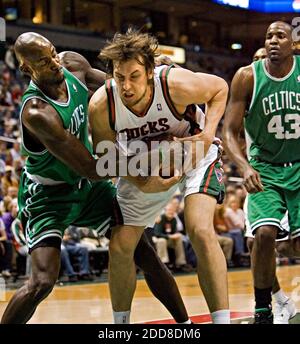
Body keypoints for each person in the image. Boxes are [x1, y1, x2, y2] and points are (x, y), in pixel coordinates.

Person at [1, 32, 190, 324]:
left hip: (89, 189)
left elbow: (120, 90)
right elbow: (90, 167)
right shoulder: (37, 112)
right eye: (43, 61)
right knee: (42, 282)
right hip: (49, 196)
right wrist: (153, 158)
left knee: (144, 253)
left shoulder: (73, 65)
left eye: (52, 53)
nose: (53, 63)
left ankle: (184, 324)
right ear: (26, 69)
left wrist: (156, 77)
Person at [89, 29, 229, 324]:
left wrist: (207, 135)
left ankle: (222, 321)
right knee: (120, 245)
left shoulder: (174, 84)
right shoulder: (103, 105)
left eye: (135, 76)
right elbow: (106, 158)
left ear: (150, 72)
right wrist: (143, 181)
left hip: (192, 153)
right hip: (141, 166)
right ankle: (120, 326)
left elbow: (219, 88)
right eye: (119, 76)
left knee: (200, 229)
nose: (126, 86)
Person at [222, 22, 300, 323]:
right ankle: (263, 307)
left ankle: (281, 300)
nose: (273, 40)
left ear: (293, 43)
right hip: (264, 169)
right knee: (263, 235)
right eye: (269, 36)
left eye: (280, 35)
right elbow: (229, 131)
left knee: (295, 244)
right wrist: (244, 166)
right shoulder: (246, 77)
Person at [242, 47, 296, 324]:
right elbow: (233, 134)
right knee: (257, 242)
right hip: (259, 175)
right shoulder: (247, 89)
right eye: (256, 59)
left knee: (289, 248)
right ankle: (276, 301)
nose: (261, 64)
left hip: (290, 172)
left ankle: (282, 301)